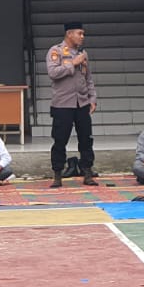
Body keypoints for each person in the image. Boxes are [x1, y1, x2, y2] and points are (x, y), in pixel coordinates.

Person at [47, 21, 98, 188]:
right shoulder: (56, 51)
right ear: (69, 34)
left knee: (86, 138)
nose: (82, 37)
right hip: (62, 104)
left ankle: (87, 172)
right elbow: (53, 73)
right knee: (60, 139)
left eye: (83, 34)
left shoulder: (83, 54)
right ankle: (57, 174)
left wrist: (92, 98)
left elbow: (88, 78)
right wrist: (72, 63)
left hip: (82, 102)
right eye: (79, 33)